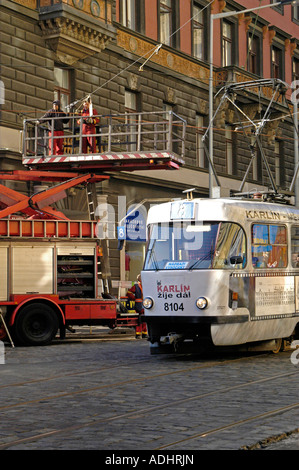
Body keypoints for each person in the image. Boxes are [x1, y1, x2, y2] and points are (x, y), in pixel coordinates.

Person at [127, 274, 147, 339]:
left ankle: (144, 334)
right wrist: (134, 298)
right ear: (140, 279)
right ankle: (138, 334)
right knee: (140, 320)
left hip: (144, 304)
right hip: (140, 305)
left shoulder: (144, 286)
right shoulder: (136, 286)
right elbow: (129, 292)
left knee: (144, 320)